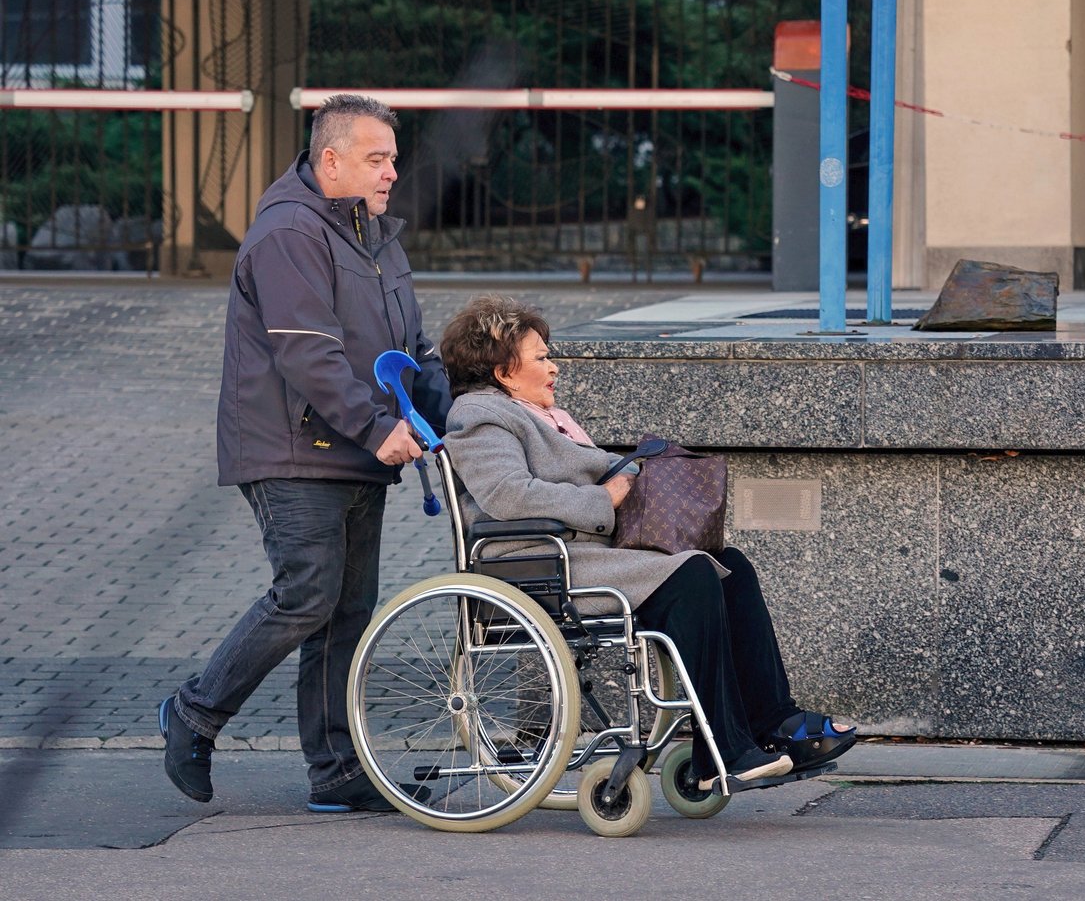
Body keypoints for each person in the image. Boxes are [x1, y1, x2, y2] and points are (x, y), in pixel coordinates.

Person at [158, 94, 452, 813]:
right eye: (376, 159)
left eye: (392, 157)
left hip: (358, 449)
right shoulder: (290, 231)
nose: (390, 172)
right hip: (294, 447)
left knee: (347, 608)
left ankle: (337, 771)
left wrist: (455, 410)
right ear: (331, 159)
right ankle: (194, 713)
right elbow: (308, 354)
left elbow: (410, 345)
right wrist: (375, 426)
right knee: (307, 596)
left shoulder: (375, 234)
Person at [439, 295, 854, 790]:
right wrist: (603, 498)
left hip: (583, 553)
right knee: (693, 575)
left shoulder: (539, 414)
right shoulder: (480, 416)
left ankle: (773, 722)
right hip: (535, 560)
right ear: (505, 370)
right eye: (542, 357)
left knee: (731, 567)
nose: (554, 367)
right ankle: (720, 753)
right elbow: (507, 495)